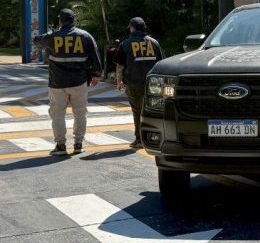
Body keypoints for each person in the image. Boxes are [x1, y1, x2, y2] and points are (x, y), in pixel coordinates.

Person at [34, 8, 102, 156]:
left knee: (57, 114)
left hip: (57, 83)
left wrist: (53, 32)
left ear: (61, 21)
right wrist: (96, 74)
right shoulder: (85, 36)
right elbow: (95, 56)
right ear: (74, 20)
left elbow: (37, 42)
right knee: (80, 113)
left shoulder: (53, 36)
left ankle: (60, 146)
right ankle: (78, 144)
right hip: (79, 82)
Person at [114, 17, 165, 148]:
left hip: (133, 84)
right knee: (153, 111)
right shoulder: (154, 43)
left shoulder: (126, 44)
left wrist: (119, 81)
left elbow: (120, 66)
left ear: (132, 28)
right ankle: (156, 138)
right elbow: (162, 63)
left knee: (137, 111)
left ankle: (139, 140)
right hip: (153, 84)